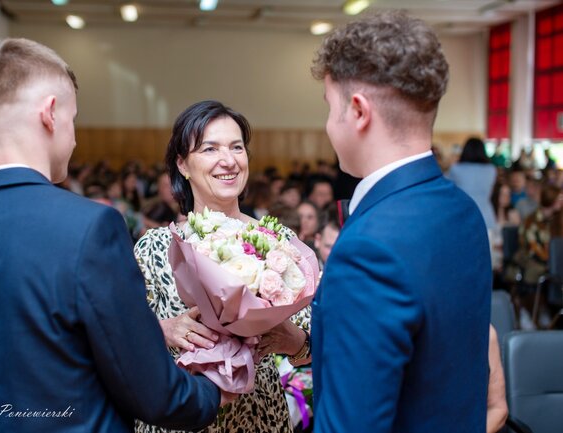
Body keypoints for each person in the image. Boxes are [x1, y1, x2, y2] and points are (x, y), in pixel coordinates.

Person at [0, 38, 226, 433]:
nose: (74, 137)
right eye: (73, 118)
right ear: (50, 113)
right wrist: (214, 390)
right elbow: (155, 394)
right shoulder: (91, 228)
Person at [310, 11, 491, 433]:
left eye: (330, 108)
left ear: (358, 111)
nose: (329, 125)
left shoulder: (368, 248)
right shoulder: (464, 211)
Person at [134, 100, 312, 433]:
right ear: (183, 164)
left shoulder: (277, 242)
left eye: (236, 147)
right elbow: (120, 338)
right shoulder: (154, 247)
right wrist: (163, 329)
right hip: (179, 414)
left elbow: (314, 346)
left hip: (259, 415)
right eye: (210, 149)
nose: (228, 160)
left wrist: (293, 340)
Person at [446, 137, 497, 229]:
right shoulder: (491, 170)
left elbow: (447, 188)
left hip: (463, 216)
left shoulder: (456, 169)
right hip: (486, 216)